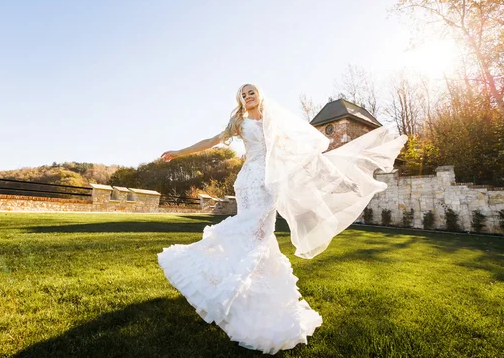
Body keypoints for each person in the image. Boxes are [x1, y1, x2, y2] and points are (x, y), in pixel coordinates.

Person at [157, 84, 408, 354]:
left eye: (251, 92)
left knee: (260, 238)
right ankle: (232, 291)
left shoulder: (274, 123)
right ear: (240, 101)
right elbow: (211, 141)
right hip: (249, 183)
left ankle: (249, 297)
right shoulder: (238, 122)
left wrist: (345, 181)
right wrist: (179, 152)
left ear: (260, 94)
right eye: (243, 95)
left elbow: (308, 159)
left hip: (269, 184)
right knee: (250, 235)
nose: (247, 97)